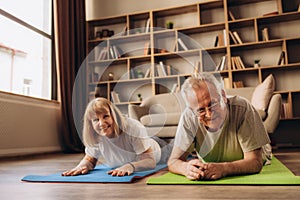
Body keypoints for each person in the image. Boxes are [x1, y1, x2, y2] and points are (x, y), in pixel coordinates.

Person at [168, 73, 272, 180]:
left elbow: (255, 162)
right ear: (191, 109)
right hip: (215, 159)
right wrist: (186, 168)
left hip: (260, 154)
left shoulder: (242, 108)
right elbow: (173, 161)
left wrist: (224, 168)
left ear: (223, 96)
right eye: (201, 110)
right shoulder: (189, 116)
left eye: (212, 104)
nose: (209, 114)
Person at [62, 97, 171, 177]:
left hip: (159, 150)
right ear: (90, 124)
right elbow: (90, 159)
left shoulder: (133, 127)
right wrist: (82, 166)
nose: (101, 123)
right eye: (96, 120)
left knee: (179, 149)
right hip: (144, 143)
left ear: (114, 116)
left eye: (106, 116)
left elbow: (150, 161)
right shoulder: (96, 135)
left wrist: (129, 167)